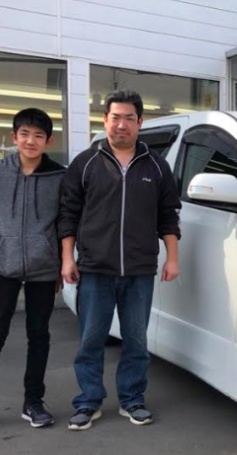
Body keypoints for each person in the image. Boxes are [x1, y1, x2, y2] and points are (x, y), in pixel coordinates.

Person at [59, 89, 181, 431]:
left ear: (140, 122)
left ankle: (132, 400)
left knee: (136, 342)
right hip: (95, 269)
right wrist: (67, 258)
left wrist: (172, 258)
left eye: (129, 118)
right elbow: (68, 214)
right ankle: (88, 402)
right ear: (105, 120)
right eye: (116, 118)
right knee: (91, 340)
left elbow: (168, 215)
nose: (122, 125)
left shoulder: (157, 166)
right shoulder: (86, 163)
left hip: (139, 271)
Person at [0, 108, 65, 436]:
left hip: (43, 268)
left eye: (38, 135)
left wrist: (59, 259)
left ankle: (33, 402)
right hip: (3, 267)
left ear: (49, 141)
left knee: (39, 334)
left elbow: (66, 222)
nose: (31, 141)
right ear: (14, 137)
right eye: (24, 134)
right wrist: (2, 239)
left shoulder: (60, 177)